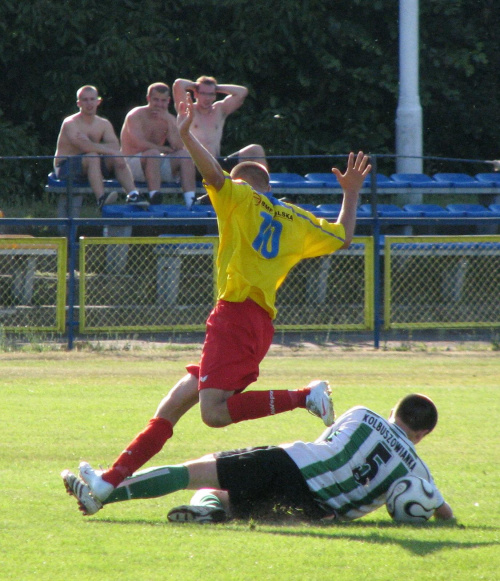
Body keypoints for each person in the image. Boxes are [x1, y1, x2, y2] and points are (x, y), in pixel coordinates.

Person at [61, 92, 371, 508]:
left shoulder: (239, 196)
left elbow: (216, 175)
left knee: (214, 413)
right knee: (171, 406)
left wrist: (187, 136)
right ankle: (106, 484)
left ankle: (305, 396)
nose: (217, 198)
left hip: (237, 315)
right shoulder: (296, 218)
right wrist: (351, 192)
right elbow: (344, 236)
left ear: (245, 184)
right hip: (251, 321)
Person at [62, 393, 454, 523]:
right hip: (315, 514)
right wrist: (443, 519)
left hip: (290, 464)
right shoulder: (417, 471)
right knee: (228, 499)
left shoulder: (365, 414)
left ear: (394, 413)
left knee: (192, 473)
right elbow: (443, 511)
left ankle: (104, 492)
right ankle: (212, 512)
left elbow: (326, 444)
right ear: (422, 435)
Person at [53, 85, 139, 211]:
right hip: (65, 167)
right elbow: (84, 147)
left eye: (92, 99)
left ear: (98, 102)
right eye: (85, 100)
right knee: (93, 156)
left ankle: (133, 194)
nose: (89, 103)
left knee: (114, 156)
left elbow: (115, 146)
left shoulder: (103, 124)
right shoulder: (70, 123)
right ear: (79, 103)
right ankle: (101, 199)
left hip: (92, 162)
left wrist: (95, 146)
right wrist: (100, 148)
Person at [121, 82, 197, 208]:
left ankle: (191, 201)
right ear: (148, 99)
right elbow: (138, 143)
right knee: (153, 153)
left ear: (168, 101)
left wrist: (169, 120)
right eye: (156, 100)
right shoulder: (135, 115)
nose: (159, 104)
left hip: (155, 163)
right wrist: (163, 149)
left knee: (184, 155)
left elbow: (178, 146)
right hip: (131, 165)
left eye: (163, 101)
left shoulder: (168, 118)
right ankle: (154, 197)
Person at [173, 76, 267, 173]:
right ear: (195, 94)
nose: (207, 98)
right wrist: (197, 85)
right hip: (194, 166)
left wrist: (216, 87)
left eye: (211, 94)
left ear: (215, 96)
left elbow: (242, 92)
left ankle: (265, 185)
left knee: (256, 150)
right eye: (203, 93)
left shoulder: (219, 109)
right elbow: (179, 84)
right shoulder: (188, 109)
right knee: (200, 154)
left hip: (217, 164)